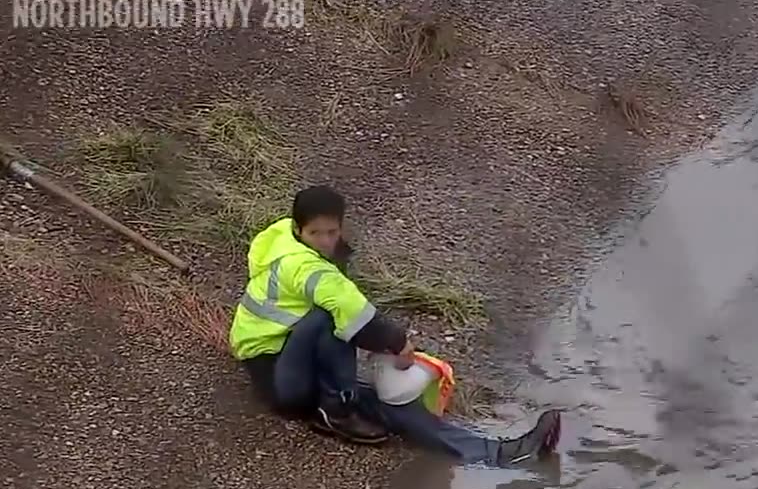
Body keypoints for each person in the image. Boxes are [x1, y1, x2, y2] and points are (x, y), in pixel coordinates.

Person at [227, 184, 561, 465]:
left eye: (332, 232)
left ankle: (499, 453)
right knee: (331, 319)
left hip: (297, 356)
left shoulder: (288, 242)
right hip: (275, 374)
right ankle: (337, 410)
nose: (326, 241)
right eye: (316, 233)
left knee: (392, 404)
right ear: (299, 230)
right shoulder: (305, 267)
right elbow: (354, 314)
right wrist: (398, 344)